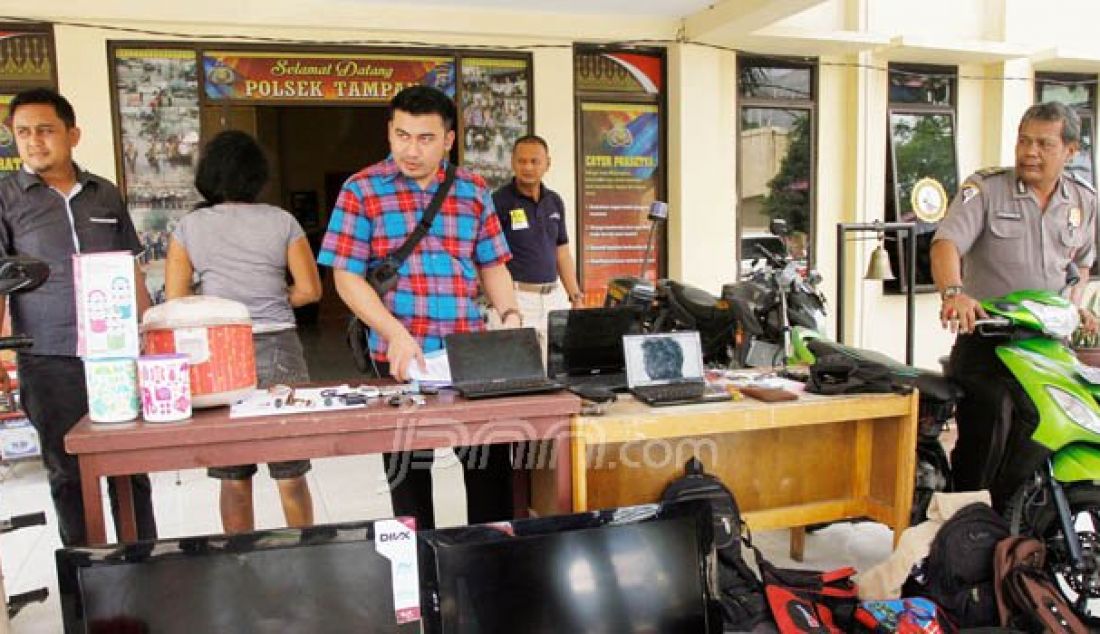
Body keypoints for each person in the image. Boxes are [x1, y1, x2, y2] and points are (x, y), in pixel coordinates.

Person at [317, 85, 522, 529]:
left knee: (489, 473)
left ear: (449, 138)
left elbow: (493, 265)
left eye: (425, 138)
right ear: (389, 132)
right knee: (410, 485)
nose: (411, 149)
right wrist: (393, 332)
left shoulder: (472, 189)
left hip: (469, 358)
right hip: (396, 360)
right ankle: (421, 576)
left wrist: (509, 316)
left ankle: (489, 564)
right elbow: (346, 277)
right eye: (401, 135)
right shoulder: (362, 190)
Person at [0, 88, 157, 546]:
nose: (33, 142)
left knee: (129, 465)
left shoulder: (103, 194)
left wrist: (149, 333)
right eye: (22, 133)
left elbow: (131, 266)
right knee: (67, 471)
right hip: (48, 356)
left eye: (45, 130)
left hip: (116, 354)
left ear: (72, 134)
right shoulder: (7, 198)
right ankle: (87, 573)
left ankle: (141, 559)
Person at [931, 102, 1098, 492]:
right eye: (1024, 141)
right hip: (988, 342)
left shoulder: (1084, 201)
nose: (1030, 152)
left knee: (1053, 434)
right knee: (988, 437)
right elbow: (946, 244)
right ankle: (966, 527)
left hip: (1046, 348)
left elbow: (1081, 265)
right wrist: (954, 293)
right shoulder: (987, 190)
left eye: (1043, 144)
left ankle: (1033, 528)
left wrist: (1074, 308)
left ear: (1070, 152)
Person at [165, 130, 321, 534]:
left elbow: (176, 299)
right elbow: (310, 290)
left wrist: (219, 301)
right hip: (279, 350)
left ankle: (240, 557)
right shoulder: (282, 221)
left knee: (232, 475)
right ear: (257, 176)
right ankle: (306, 548)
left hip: (218, 352)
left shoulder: (190, 227)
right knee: (290, 471)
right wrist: (275, 295)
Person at [491, 135, 584, 352]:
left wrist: (576, 297)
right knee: (520, 370)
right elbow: (489, 259)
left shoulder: (554, 201)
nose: (528, 167)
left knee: (555, 370)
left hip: (553, 299)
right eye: (522, 161)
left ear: (547, 164)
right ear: (512, 162)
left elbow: (562, 252)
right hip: (516, 299)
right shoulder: (498, 202)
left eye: (535, 161)